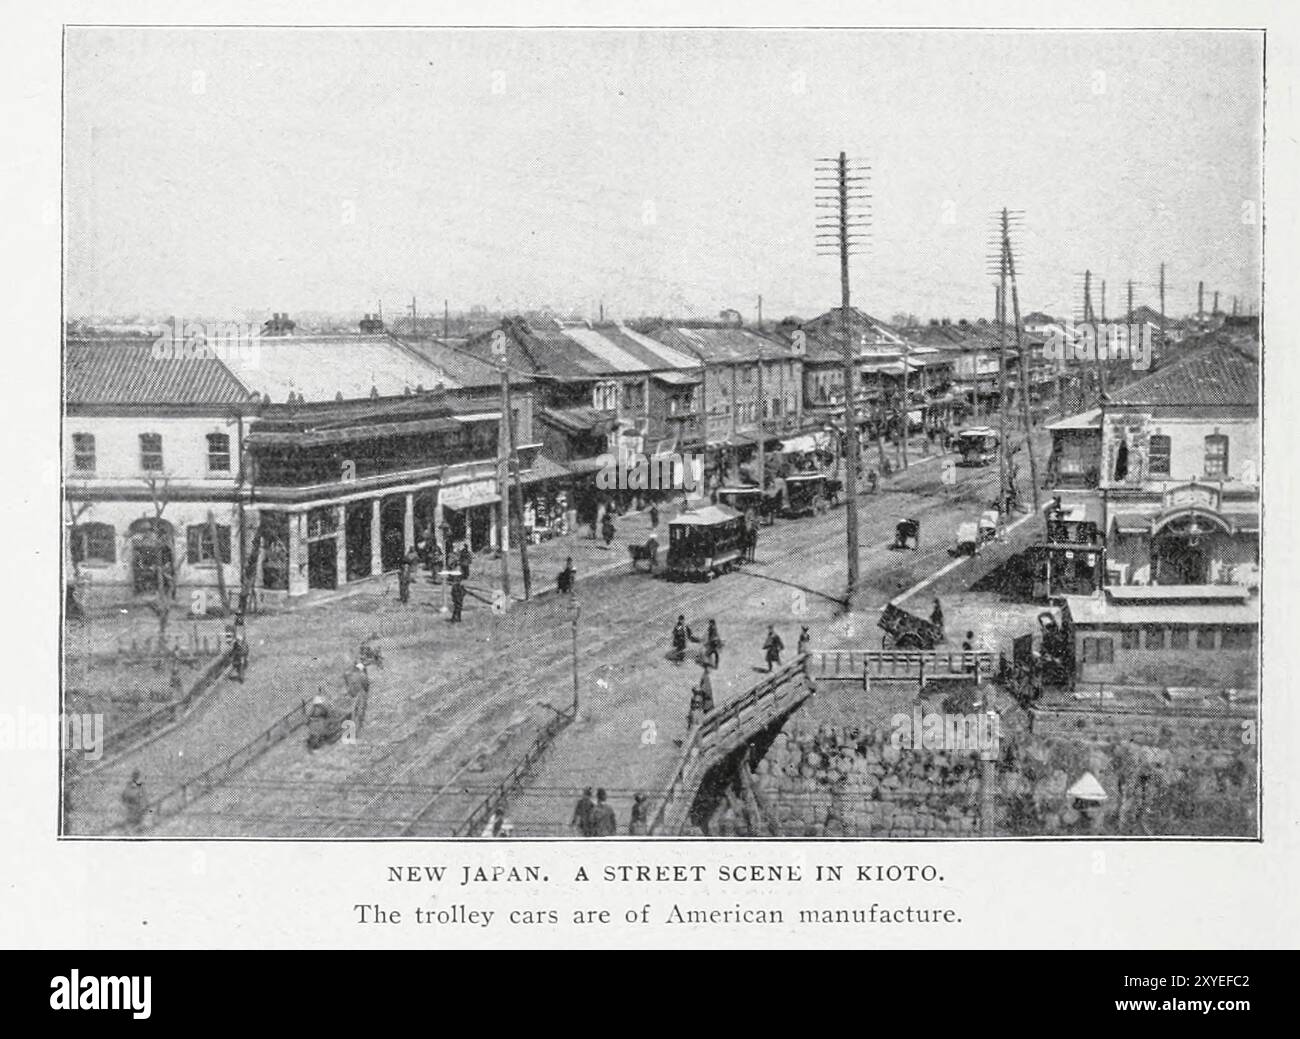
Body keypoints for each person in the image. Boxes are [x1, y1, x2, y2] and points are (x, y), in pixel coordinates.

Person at [344, 659, 370, 733]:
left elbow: (348, 684)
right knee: (360, 711)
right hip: (361, 694)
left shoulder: (350, 675)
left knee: (353, 711)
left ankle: (351, 729)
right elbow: (366, 687)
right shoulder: (363, 675)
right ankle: (359, 727)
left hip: (353, 694)